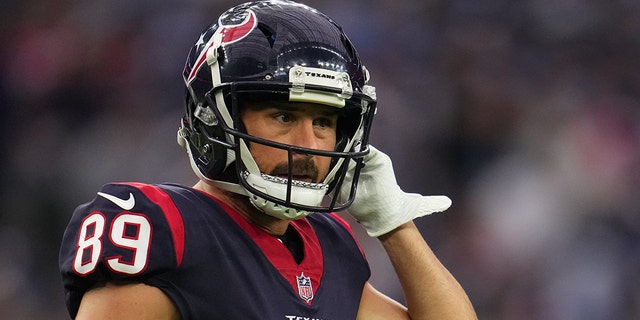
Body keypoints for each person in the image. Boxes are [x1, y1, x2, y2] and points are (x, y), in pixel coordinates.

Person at [59, 1, 477, 319]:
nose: (308, 142)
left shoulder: (328, 243)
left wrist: (395, 226)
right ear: (214, 120)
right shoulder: (162, 226)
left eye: (325, 121)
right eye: (283, 116)